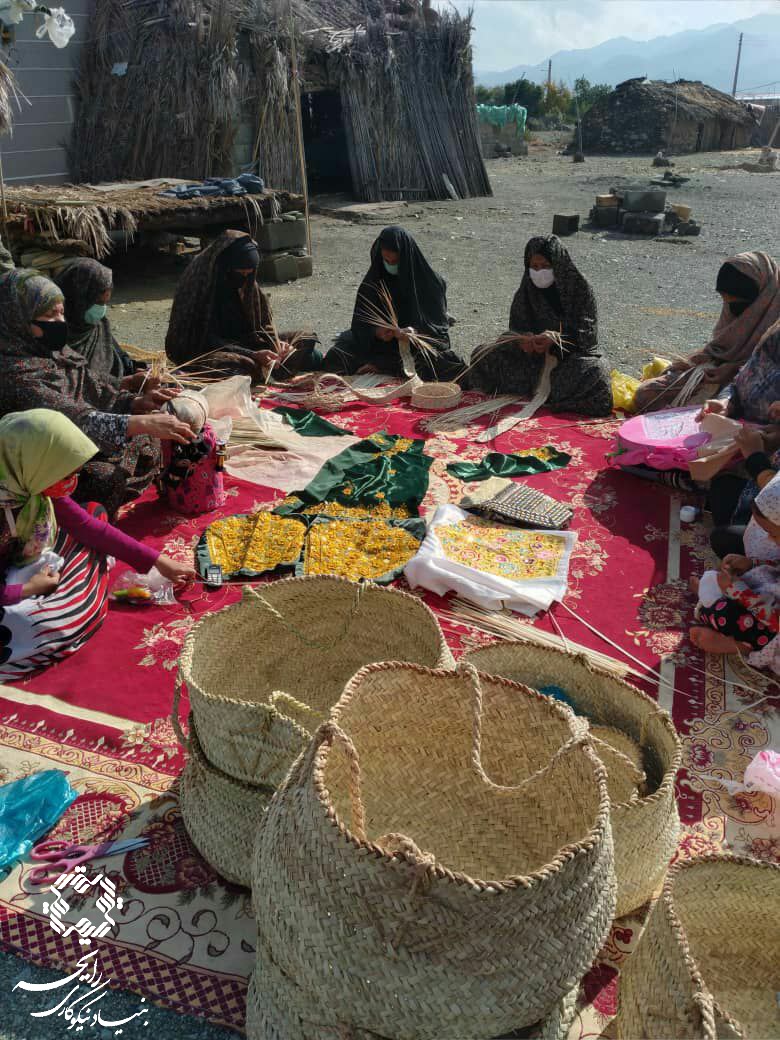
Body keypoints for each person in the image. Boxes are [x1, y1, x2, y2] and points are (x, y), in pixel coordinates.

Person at [0, 409, 194, 681]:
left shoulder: (27, 483)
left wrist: (158, 561)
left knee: (93, 512)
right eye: (65, 475)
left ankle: (71, 600)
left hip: (24, 564)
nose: (72, 482)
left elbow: (88, 526)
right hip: (12, 592)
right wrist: (30, 588)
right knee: (30, 622)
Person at [0, 269, 193, 515]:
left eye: (61, 312)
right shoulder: (13, 373)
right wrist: (141, 422)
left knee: (149, 442)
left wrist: (134, 403)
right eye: (49, 315)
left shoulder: (51, 352)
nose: (60, 322)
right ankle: (72, 520)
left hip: (83, 439)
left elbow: (92, 387)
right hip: (42, 465)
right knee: (104, 478)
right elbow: (71, 420)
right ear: (16, 320)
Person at [465, 235, 612, 416]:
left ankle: (552, 395)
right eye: (534, 267)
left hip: (566, 362)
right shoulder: (526, 290)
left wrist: (557, 340)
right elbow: (515, 329)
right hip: (532, 361)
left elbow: (587, 337)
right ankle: (542, 392)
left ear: (558, 264)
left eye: (545, 266)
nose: (539, 272)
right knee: (482, 353)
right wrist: (521, 340)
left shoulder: (579, 289)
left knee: (596, 371)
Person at [634, 252, 780, 414]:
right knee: (647, 394)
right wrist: (701, 361)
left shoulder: (775, 321)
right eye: (726, 301)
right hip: (727, 387)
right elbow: (721, 348)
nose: (731, 309)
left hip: (757, 393)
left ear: (760, 299)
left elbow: (767, 375)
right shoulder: (737, 308)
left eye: (737, 303)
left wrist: (735, 370)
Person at [165, 230, 321, 380]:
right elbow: (203, 339)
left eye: (249, 273)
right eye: (241, 273)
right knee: (241, 366)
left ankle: (275, 367)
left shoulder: (247, 284)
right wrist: (251, 354)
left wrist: (274, 343)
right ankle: (267, 368)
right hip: (204, 350)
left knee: (305, 338)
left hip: (248, 344)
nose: (245, 279)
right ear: (226, 266)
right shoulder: (200, 285)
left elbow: (263, 324)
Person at [322, 226, 463, 380]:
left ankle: (385, 366)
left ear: (406, 257)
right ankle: (385, 366)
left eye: (395, 261)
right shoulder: (374, 281)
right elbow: (360, 323)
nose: (390, 265)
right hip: (381, 346)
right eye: (386, 261)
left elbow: (439, 328)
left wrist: (413, 332)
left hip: (415, 346)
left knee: (441, 363)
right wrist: (377, 331)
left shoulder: (431, 283)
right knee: (337, 355)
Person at [690, 476, 780, 674]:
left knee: (731, 617)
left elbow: (775, 621)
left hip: (774, 626)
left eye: (773, 534)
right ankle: (711, 595)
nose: (768, 539)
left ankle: (736, 644)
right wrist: (751, 563)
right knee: (750, 577)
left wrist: (738, 591)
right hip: (769, 602)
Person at [57, 258, 137, 383]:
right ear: (77, 297)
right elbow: (68, 384)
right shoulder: (52, 334)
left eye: (105, 303)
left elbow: (119, 359)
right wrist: (126, 383)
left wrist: (135, 370)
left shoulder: (98, 327)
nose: (101, 309)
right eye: (98, 302)